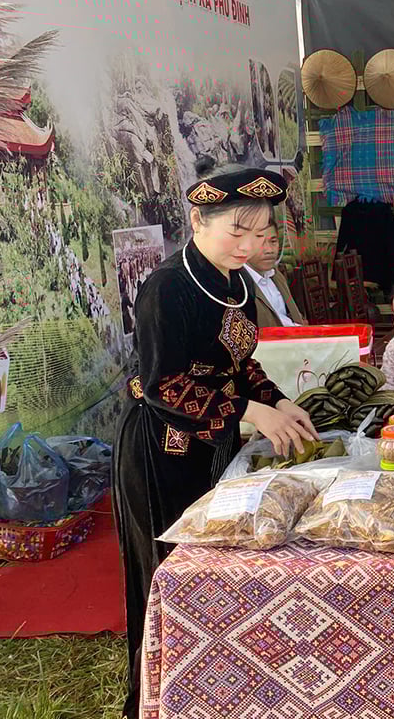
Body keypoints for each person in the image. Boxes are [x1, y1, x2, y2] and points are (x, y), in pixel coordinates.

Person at [112, 160, 319, 718]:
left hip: (215, 444)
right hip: (162, 452)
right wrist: (253, 411)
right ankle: (158, 699)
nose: (250, 246)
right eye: (238, 231)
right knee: (167, 575)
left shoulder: (235, 281)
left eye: (262, 234)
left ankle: (217, 693)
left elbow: (241, 362)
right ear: (199, 220)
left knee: (216, 574)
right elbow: (162, 386)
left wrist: (278, 401)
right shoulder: (166, 288)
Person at [241, 218, 306, 328]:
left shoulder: (275, 275)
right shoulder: (237, 285)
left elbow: (290, 315)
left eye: (273, 241)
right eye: (260, 243)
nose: (269, 250)